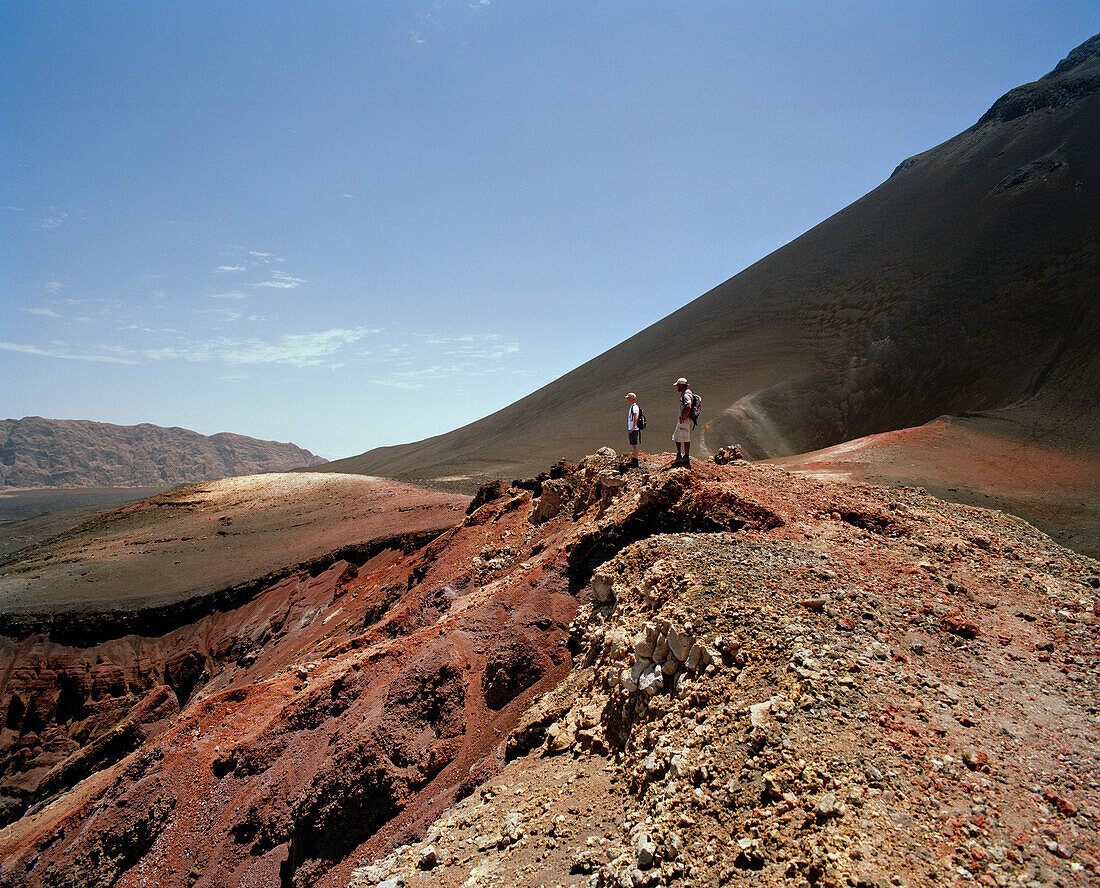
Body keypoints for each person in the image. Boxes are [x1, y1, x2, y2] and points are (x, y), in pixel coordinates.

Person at [672, 377, 693, 466]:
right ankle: (679, 454)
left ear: (681, 386)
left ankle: (685, 456)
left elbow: (688, 406)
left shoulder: (686, 395)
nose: (677, 387)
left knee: (685, 437)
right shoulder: (687, 393)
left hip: (684, 419)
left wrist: (683, 417)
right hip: (683, 419)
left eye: (677, 386)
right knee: (677, 436)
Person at [625, 392, 641, 467]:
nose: (627, 399)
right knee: (633, 444)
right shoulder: (632, 406)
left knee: (634, 444)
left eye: (628, 398)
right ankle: (635, 458)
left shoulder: (634, 407)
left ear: (631, 399)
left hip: (633, 429)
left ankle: (636, 459)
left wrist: (633, 427)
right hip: (632, 428)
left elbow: (636, 416)